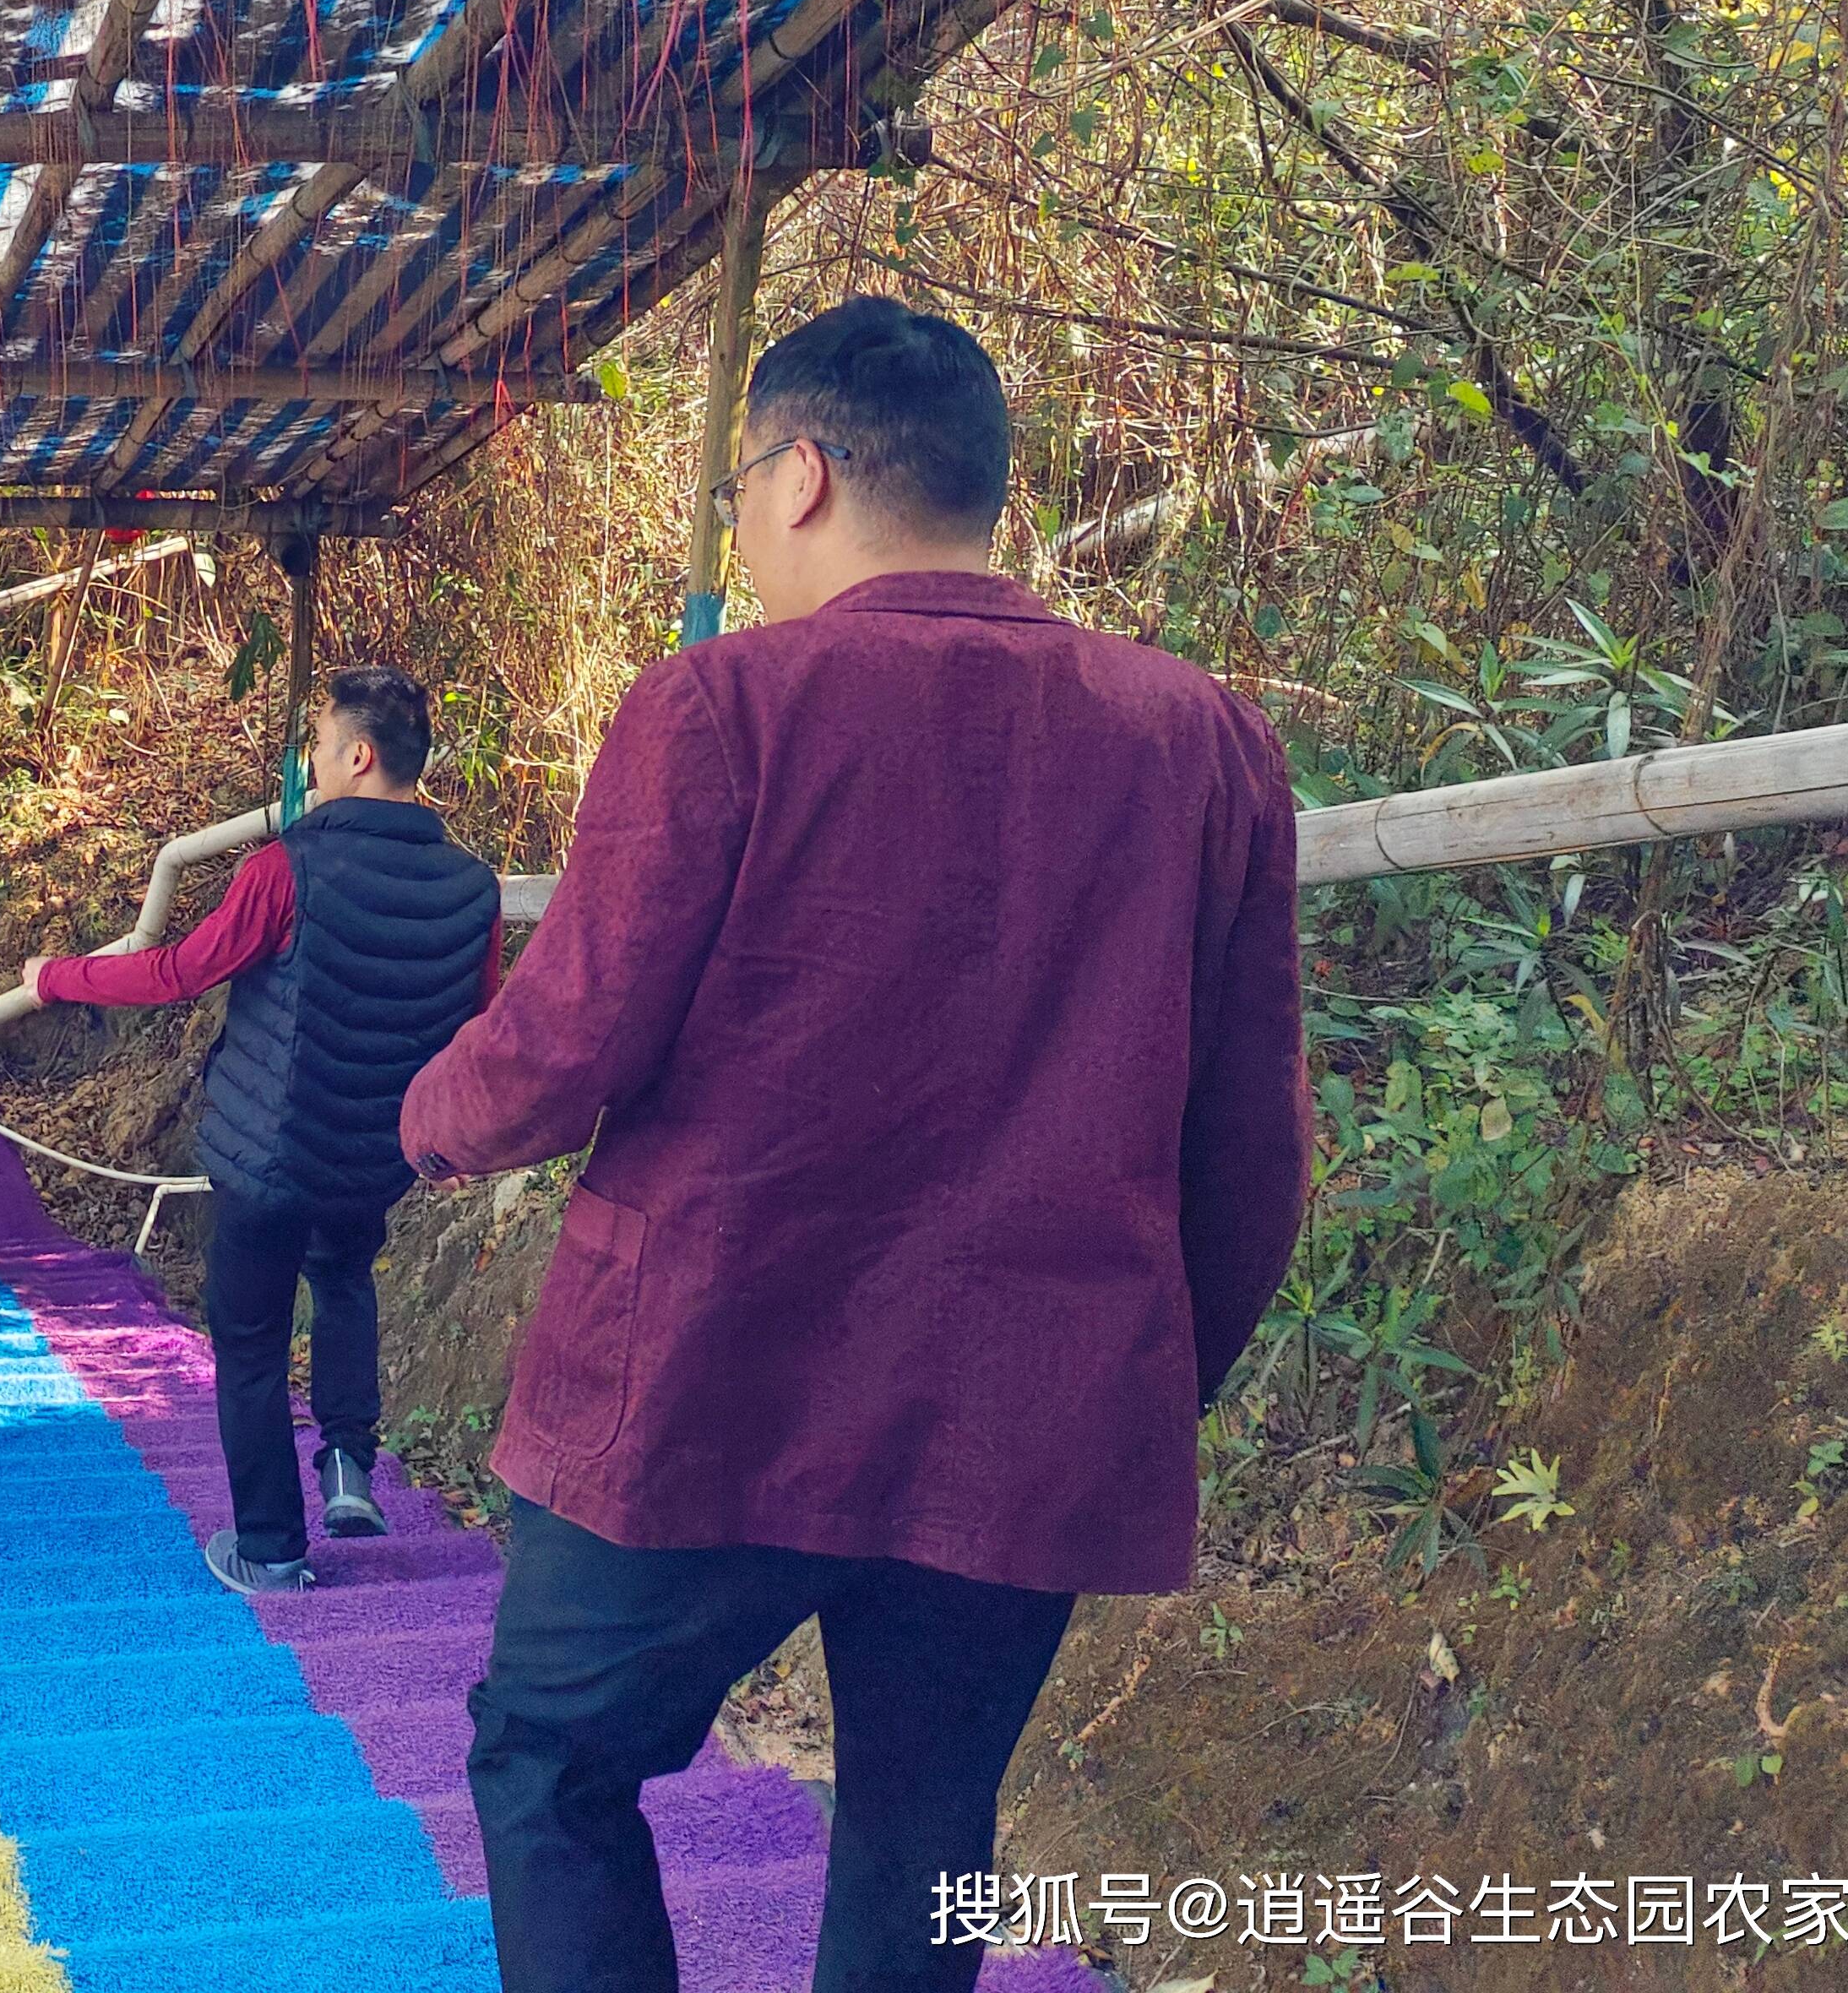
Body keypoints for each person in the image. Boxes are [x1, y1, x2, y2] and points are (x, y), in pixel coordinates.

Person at [398, 296, 1307, 1993]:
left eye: (742, 487)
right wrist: (1131, 1383)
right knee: (924, 1825)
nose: (741, 527)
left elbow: (562, 1046)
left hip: (708, 1386)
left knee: (551, 1756)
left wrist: (428, 1117)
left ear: (801, 473)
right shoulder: (1200, 737)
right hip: (1027, 1404)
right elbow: (1253, 1154)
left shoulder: (723, 708)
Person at [26, 665, 499, 1595]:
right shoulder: (472, 890)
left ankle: (275, 1552)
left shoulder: (286, 870)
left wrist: (57, 976)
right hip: (377, 1155)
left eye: (320, 747)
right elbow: (477, 1031)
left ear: (359, 756)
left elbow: (177, 973)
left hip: (269, 1158)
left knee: (248, 1343)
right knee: (345, 1276)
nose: (311, 767)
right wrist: (453, 1142)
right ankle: (350, 1467)